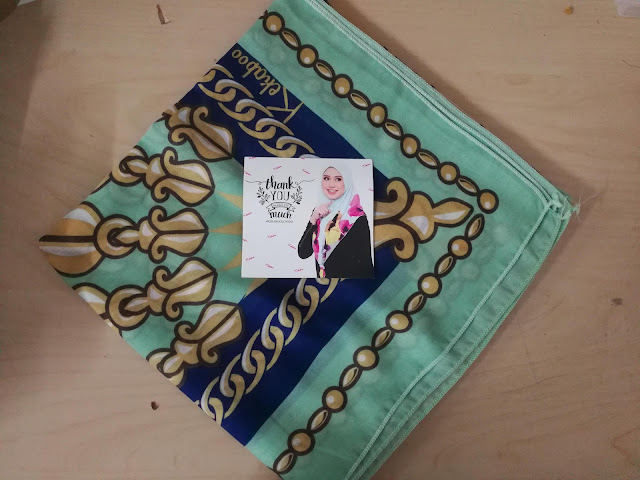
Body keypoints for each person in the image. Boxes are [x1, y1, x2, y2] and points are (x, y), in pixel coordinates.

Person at [298, 164, 374, 278]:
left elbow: (363, 266)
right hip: (321, 283)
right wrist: (313, 219)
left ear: (347, 182)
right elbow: (303, 253)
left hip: (344, 285)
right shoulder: (319, 211)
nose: (331, 184)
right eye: (326, 178)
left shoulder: (356, 217)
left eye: (338, 179)